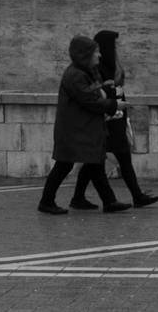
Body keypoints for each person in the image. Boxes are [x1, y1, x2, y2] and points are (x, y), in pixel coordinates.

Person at [38, 33, 129, 215]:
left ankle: (107, 201)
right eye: (96, 52)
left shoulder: (84, 72)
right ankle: (46, 202)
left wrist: (104, 88)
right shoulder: (75, 75)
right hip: (74, 130)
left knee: (95, 163)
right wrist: (114, 105)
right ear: (85, 55)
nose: (99, 55)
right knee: (64, 165)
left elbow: (92, 94)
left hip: (82, 129)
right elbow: (90, 101)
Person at [71, 28, 158, 209]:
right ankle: (85, 198)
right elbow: (94, 92)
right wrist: (107, 90)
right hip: (106, 117)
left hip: (118, 115)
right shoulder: (96, 66)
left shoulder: (113, 64)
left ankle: (136, 195)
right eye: (114, 44)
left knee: (121, 158)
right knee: (95, 161)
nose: (117, 47)